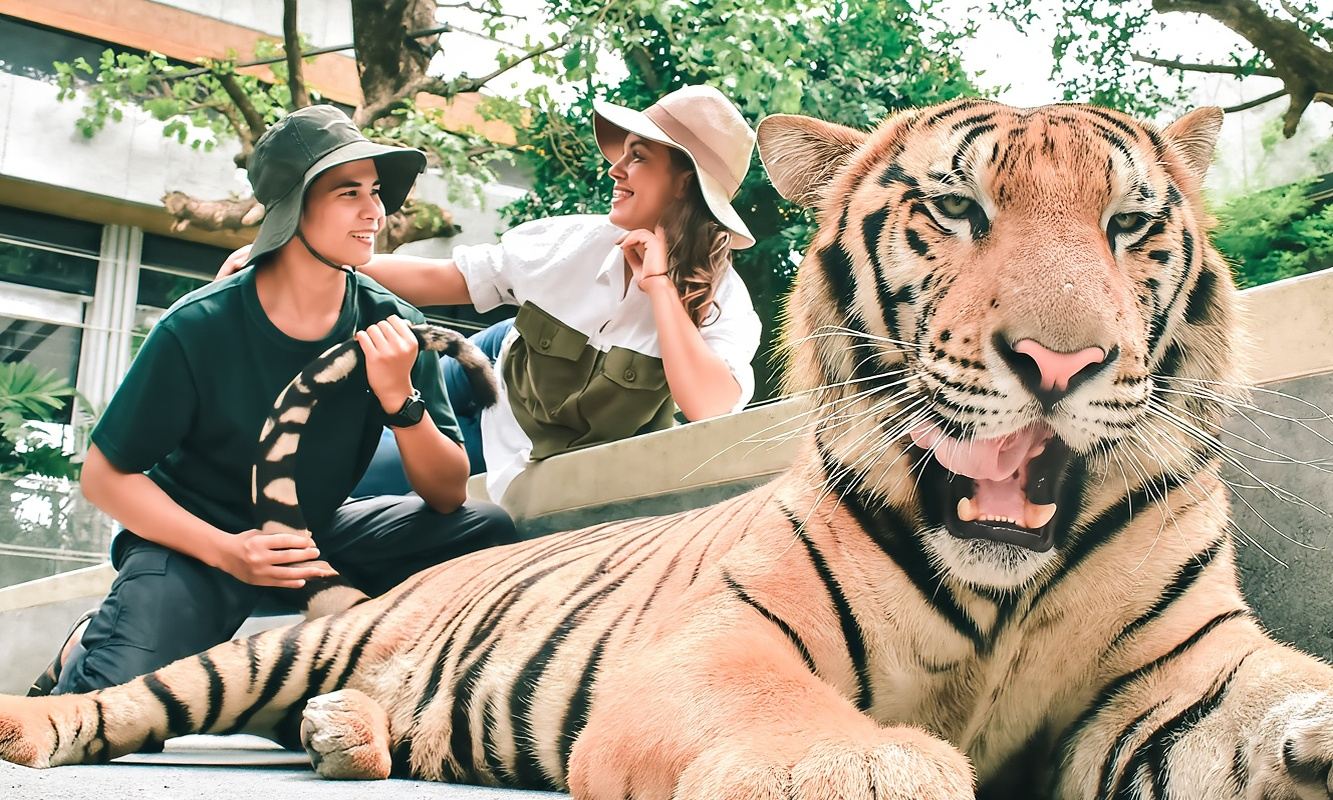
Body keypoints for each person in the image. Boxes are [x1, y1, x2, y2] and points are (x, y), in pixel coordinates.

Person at [30, 105, 516, 697]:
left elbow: (445, 493)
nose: (375, 212)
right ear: (294, 206)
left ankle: (399, 676)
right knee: (110, 704)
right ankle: (87, 643)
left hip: (315, 532)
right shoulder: (199, 325)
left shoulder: (393, 322)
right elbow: (105, 476)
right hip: (197, 541)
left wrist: (401, 401)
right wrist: (230, 552)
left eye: (376, 191)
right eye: (348, 192)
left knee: (485, 530)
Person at [219, 85, 764, 504]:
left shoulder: (725, 304)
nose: (615, 167)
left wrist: (660, 288)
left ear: (685, 182)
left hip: (522, 443)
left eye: (639, 157)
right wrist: (309, 256)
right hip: (488, 371)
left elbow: (711, 405)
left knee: (349, 483)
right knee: (345, 438)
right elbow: (447, 279)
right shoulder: (570, 242)